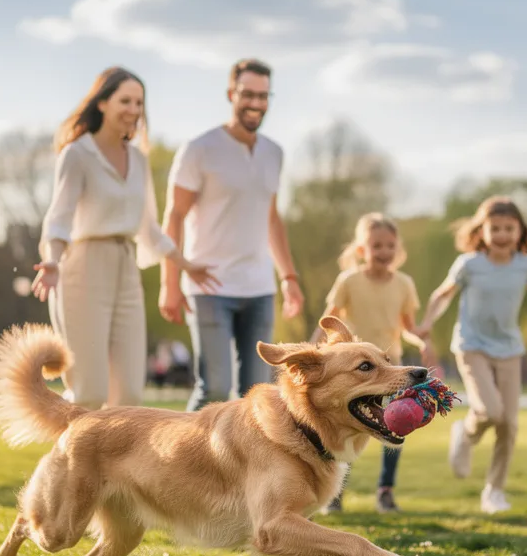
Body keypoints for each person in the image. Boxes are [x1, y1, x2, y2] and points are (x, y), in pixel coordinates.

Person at [31, 67, 218, 409]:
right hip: (84, 269)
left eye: (139, 103)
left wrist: (185, 264)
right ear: (102, 103)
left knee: (130, 395)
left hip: (126, 269)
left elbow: (148, 228)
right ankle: (66, 445)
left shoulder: (138, 159)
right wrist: (52, 262)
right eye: (125, 101)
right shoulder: (77, 155)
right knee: (89, 392)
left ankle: (110, 448)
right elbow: (58, 219)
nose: (133, 109)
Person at [416, 197, 527, 514]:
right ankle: (466, 433)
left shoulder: (526, 265)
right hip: (472, 346)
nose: (502, 234)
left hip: (510, 350)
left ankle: (494, 492)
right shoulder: (469, 264)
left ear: (520, 231)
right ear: (482, 231)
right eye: (495, 228)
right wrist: (428, 323)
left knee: (509, 424)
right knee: (490, 411)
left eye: (509, 228)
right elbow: (441, 295)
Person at [160, 58, 304, 411]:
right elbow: (174, 216)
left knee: (257, 394)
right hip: (209, 285)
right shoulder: (200, 149)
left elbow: (272, 218)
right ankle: (185, 449)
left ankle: (245, 453)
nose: (256, 103)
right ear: (231, 94)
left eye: (263, 95)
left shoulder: (274, 153)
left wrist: (289, 277)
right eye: (247, 94)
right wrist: (170, 282)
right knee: (214, 387)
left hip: (259, 287)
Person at [313, 213, 436, 514]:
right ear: (361, 250)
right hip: (353, 372)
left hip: (391, 370)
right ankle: (335, 493)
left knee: (397, 424)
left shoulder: (404, 283)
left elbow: (407, 326)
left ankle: (386, 491)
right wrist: (313, 352)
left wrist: (421, 342)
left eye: (390, 245)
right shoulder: (349, 281)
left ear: (398, 248)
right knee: (347, 428)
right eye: (377, 245)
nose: (384, 251)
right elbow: (329, 319)